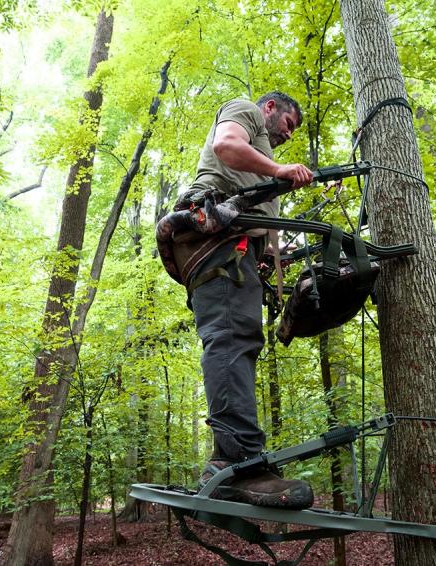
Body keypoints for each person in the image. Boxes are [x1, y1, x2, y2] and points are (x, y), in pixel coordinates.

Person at [177, 92, 314, 509]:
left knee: (240, 341)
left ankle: (229, 459)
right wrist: (278, 169)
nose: (288, 135)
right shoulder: (245, 110)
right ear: (270, 108)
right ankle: (238, 466)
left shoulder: (262, 160)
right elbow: (226, 145)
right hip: (217, 238)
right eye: (288, 123)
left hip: (236, 248)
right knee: (232, 339)